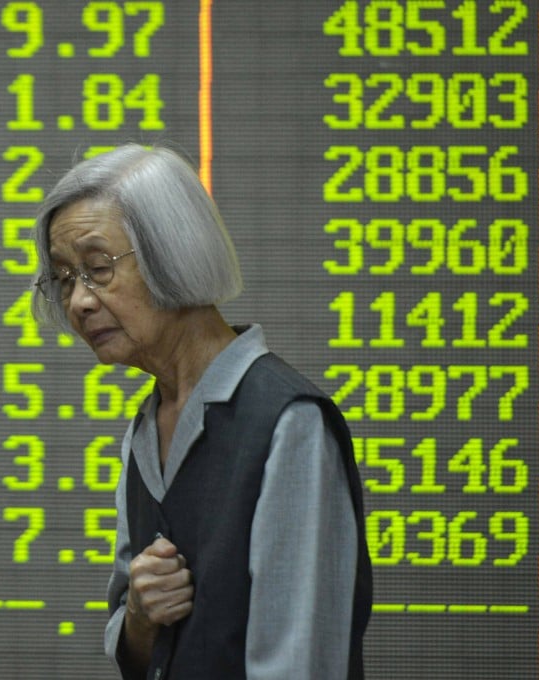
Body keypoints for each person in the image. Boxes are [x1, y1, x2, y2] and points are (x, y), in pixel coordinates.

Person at [31, 143, 372, 679]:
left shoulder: (287, 422)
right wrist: (140, 619)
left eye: (98, 268)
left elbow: (299, 665)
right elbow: (140, 651)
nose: (79, 302)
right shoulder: (144, 429)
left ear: (173, 251)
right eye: (65, 278)